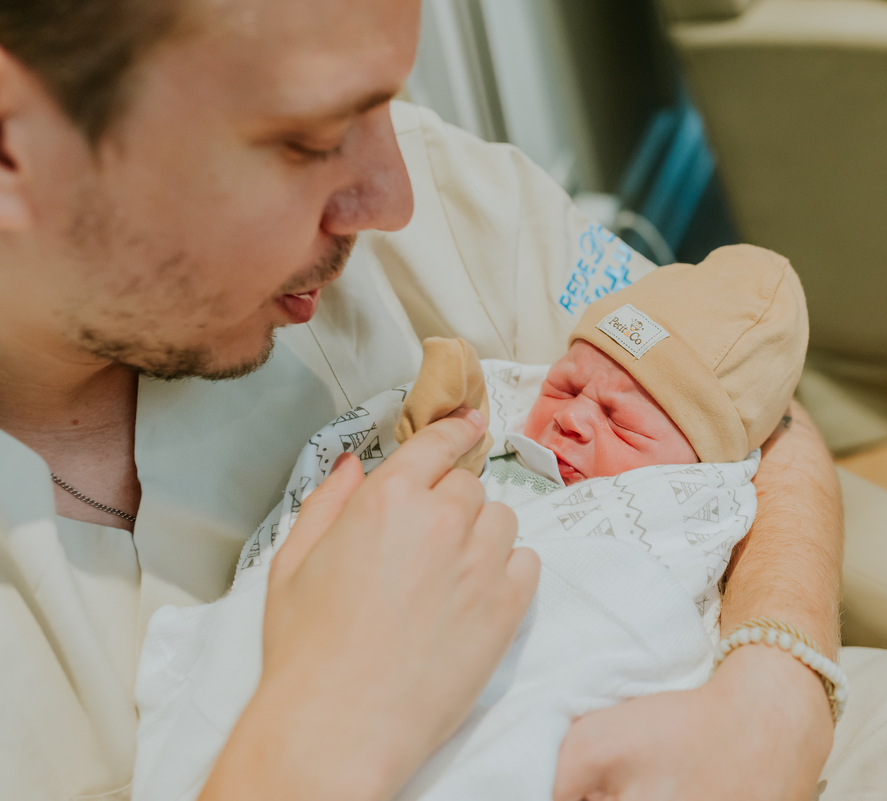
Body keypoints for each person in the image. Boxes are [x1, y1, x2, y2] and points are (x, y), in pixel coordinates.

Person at [0, 1, 839, 799]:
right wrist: (314, 736)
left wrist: (775, 703)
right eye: (306, 142)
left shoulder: (443, 190)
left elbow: (759, 410)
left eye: (388, 103)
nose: (394, 202)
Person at [132, 244, 832, 800]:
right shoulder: (508, 440)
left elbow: (781, 427)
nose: (575, 415)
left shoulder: (681, 511)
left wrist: (776, 704)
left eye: (622, 419)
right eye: (565, 385)